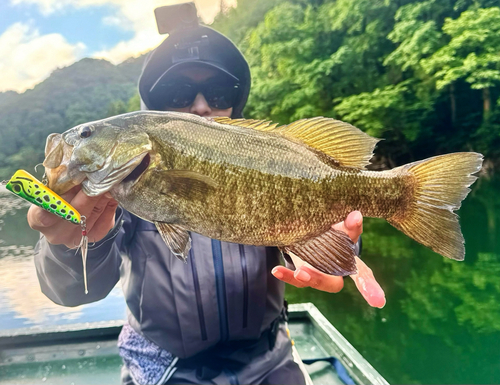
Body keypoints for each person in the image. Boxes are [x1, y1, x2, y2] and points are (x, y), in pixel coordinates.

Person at [28, 23, 385, 385]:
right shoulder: (117, 193)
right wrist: (69, 246)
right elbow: (72, 291)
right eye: (177, 91)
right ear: (153, 111)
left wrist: (337, 252)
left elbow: (319, 250)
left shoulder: (273, 158)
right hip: (165, 369)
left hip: (270, 362)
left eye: (218, 91)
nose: (201, 106)